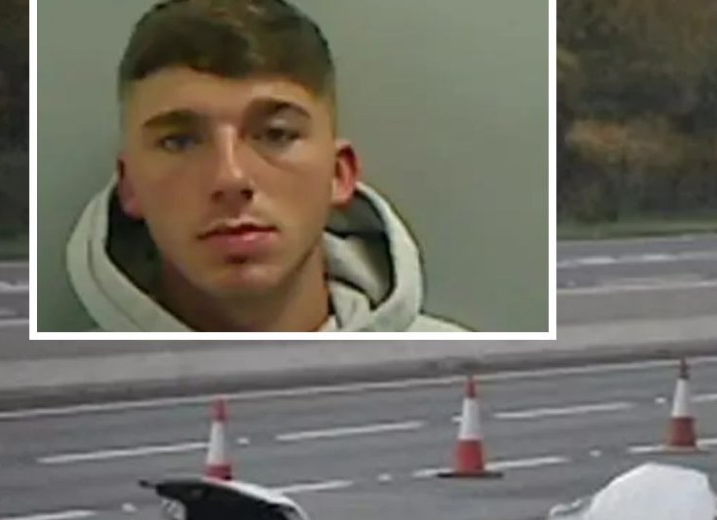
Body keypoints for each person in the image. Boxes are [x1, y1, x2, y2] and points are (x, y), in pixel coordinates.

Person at [64, 0, 470, 333]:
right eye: (180, 141)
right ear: (130, 187)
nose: (230, 177)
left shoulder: (463, 363)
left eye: (276, 135)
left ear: (338, 174)